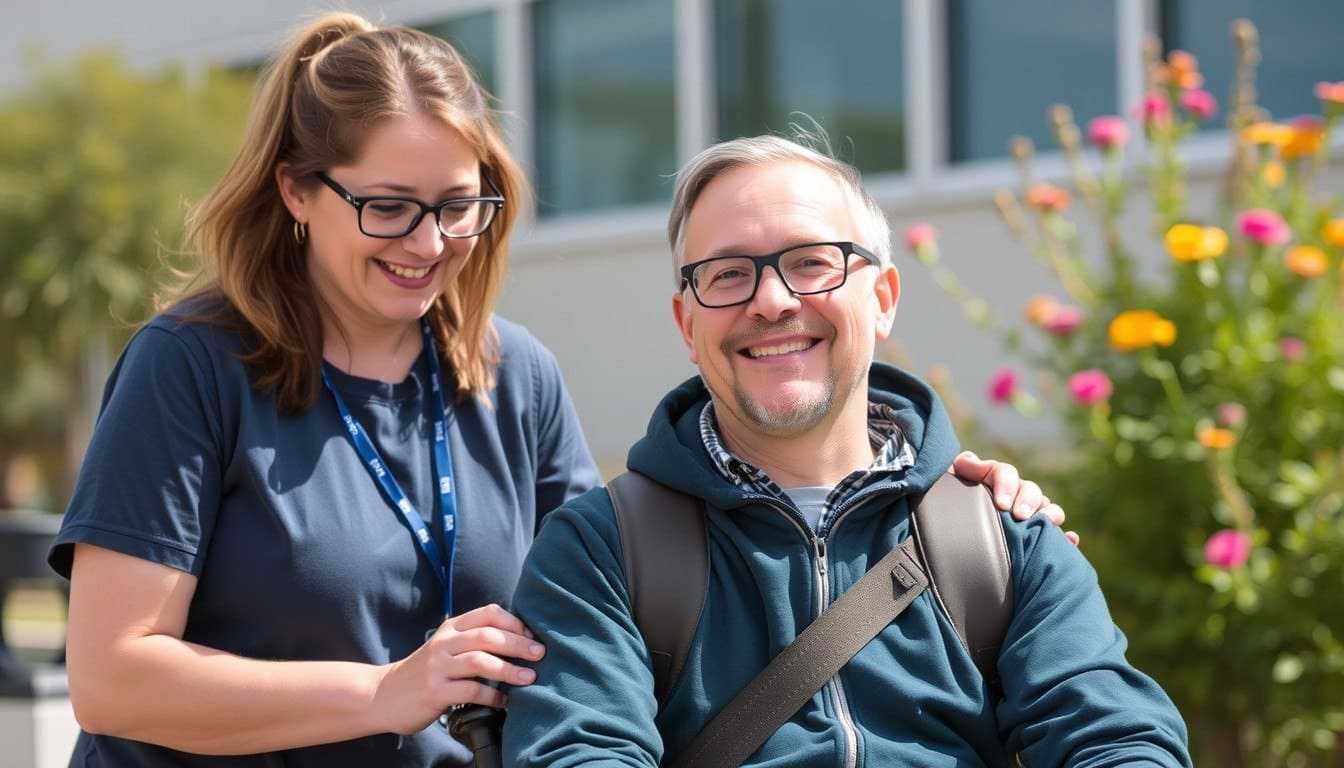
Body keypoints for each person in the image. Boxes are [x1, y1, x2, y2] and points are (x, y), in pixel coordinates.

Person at [46, 13, 1060, 768]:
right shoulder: (192, 366)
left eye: (458, 206)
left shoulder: (511, 374)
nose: (430, 244)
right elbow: (112, 676)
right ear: (298, 193)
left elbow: (609, 590)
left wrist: (951, 496)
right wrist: (384, 692)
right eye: (390, 208)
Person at [501, 134, 1193, 767]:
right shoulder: (601, 551)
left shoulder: (998, 537)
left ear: (884, 297)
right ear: (688, 322)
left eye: (811, 263)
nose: (771, 300)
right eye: (728, 274)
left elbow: (1117, 738)